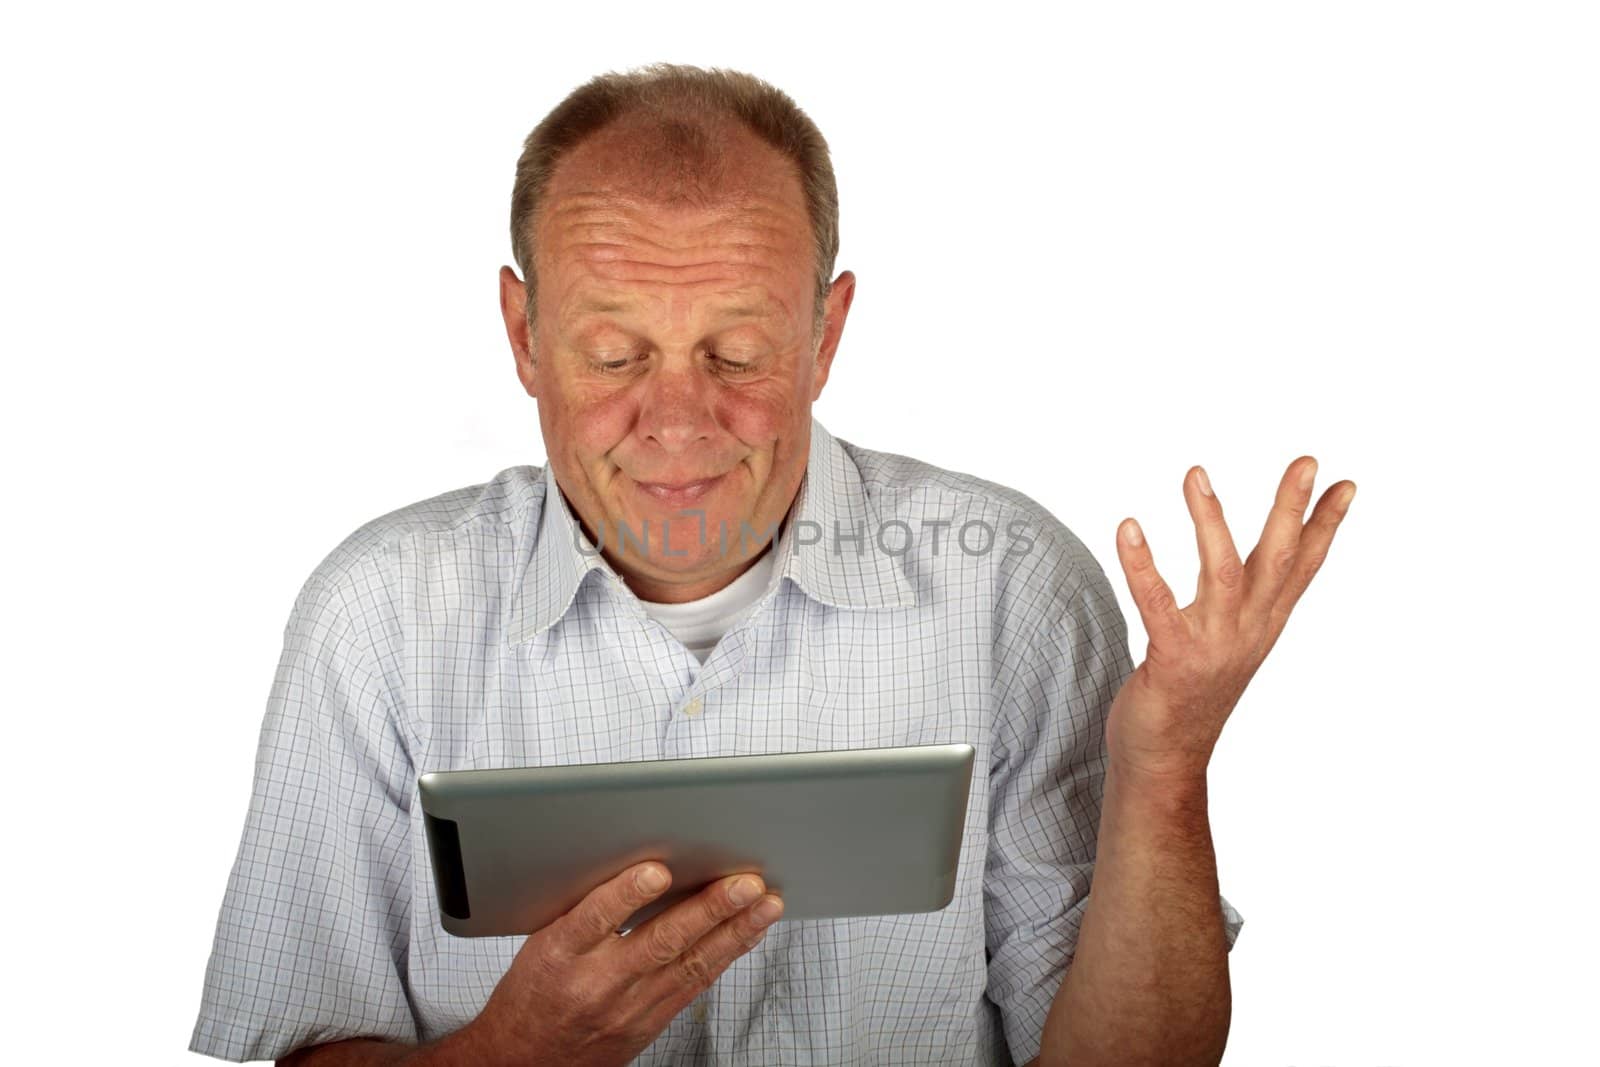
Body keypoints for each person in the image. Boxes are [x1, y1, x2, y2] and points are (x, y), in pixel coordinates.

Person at [190, 63, 1355, 1066]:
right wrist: (519, 1050)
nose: (679, 418)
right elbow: (310, 1042)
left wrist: (1168, 764)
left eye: (737, 350)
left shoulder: (1013, 587)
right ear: (522, 337)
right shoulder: (376, 615)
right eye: (612, 353)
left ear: (825, 335)